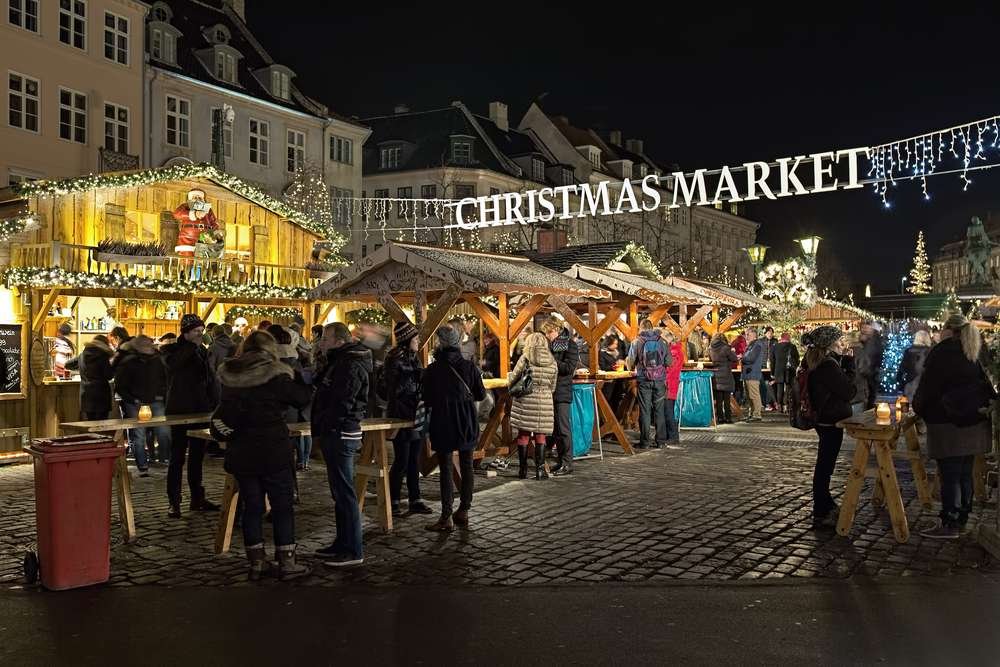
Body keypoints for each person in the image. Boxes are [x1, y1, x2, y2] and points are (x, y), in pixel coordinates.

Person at [213, 330, 313, 580]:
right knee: (281, 506)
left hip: (242, 450)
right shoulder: (276, 374)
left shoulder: (231, 374)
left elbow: (221, 410)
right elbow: (302, 398)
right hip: (272, 449)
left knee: (252, 506)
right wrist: (298, 371)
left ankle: (256, 562)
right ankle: (287, 561)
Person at [914, 314, 995, 539]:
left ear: (949, 330)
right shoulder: (973, 351)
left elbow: (928, 388)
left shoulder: (942, 352)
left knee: (949, 474)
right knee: (964, 473)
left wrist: (919, 409)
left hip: (947, 423)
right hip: (972, 422)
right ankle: (962, 517)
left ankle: (950, 522)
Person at [312, 322, 371, 566]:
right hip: (336, 430)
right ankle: (342, 542)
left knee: (345, 491)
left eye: (325, 339)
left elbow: (343, 400)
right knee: (339, 491)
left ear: (339, 340)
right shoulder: (340, 361)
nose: (321, 342)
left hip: (341, 432)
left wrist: (329, 423)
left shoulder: (350, 364)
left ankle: (353, 550)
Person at [422, 324, 486, 530]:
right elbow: (481, 395)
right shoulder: (469, 367)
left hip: (443, 421)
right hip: (466, 421)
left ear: (440, 343)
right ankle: (464, 509)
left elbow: (427, 398)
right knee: (467, 466)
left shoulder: (433, 370)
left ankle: (446, 516)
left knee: (446, 468)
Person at [162, 314, 220, 518]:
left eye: (201, 332)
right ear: (185, 332)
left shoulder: (202, 352)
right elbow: (174, 366)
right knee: (177, 457)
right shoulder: (172, 350)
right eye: (196, 331)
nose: (200, 335)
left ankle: (197, 497)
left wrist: (215, 401)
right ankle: (174, 501)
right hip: (179, 410)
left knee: (197, 457)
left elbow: (209, 378)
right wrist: (191, 346)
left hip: (201, 410)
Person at [802, 325, 856, 529]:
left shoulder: (813, 361)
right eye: (839, 341)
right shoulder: (828, 366)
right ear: (830, 344)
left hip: (822, 418)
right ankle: (821, 508)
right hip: (831, 419)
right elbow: (848, 391)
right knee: (825, 465)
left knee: (825, 463)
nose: (841, 344)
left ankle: (825, 504)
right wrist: (850, 364)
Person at [384, 321, 433, 515]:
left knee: (414, 458)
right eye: (415, 338)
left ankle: (415, 499)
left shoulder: (413, 357)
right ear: (407, 339)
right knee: (402, 459)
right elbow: (395, 388)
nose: (418, 341)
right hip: (401, 414)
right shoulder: (395, 358)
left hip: (416, 412)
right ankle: (393, 499)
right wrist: (416, 377)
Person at [113, 335, 171, 475]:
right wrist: (132, 399)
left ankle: (164, 459)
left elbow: (166, 379)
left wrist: (161, 394)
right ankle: (143, 465)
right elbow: (120, 384)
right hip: (136, 402)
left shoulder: (158, 360)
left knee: (163, 432)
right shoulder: (129, 361)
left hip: (153, 400)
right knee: (139, 435)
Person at [509, 332, 558, 479]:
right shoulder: (552, 361)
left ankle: (522, 470)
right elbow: (553, 386)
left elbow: (514, 377)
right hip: (544, 400)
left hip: (526, 400)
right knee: (540, 434)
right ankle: (540, 470)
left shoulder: (525, 358)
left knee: (523, 434)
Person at [542, 318, 579, 474]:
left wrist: (552, 361)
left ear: (556, 330)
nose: (547, 336)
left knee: (564, 429)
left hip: (562, 391)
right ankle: (560, 461)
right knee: (556, 430)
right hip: (551, 391)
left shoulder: (570, 344)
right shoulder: (550, 344)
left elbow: (569, 368)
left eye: (549, 332)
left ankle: (567, 463)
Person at [627, 318, 671, 449]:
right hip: (659, 380)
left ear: (641, 327)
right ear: (652, 327)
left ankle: (645, 442)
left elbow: (630, 362)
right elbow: (669, 362)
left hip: (644, 380)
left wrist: (632, 366)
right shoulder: (662, 341)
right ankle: (661, 441)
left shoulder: (637, 342)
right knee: (659, 411)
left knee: (645, 411)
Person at [70, 334, 115, 420]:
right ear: (105, 344)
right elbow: (109, 375)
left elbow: (68, 365)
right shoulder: (103, 356)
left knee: (90, 424)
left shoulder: (82, 355)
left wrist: (80, 368)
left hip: (86, 395)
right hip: (101, 397)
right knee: (102, 426)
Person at [709, 332, 738, 425]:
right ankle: (728, 418)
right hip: (725, 375)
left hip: (716, 375)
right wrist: (732, 351)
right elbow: (734, 359)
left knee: (718, 399)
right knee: (726, 399)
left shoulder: (711, 348)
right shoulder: (726, 348)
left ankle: (720, 418)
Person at [897, 329, 932, 401]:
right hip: (925, 385)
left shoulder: (908, 351)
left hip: (910, 383)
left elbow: (902, 369)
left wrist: (901, 382)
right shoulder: (930, 352)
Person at [770, 332, 799, 413]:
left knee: (779, 388)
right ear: (788, 338)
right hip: (789, 370)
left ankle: (780, 406)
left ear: (781, 338)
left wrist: (772, 372)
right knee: (789, 388)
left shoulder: (775, 347)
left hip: (778, 370)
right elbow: (796, 359)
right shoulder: (792, 346)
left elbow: (772, 360)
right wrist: (796, 367)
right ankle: (786, 405)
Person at [662, 330, 683, 444]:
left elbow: (670, 369)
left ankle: (673, 436)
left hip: (669, 384)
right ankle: (669, 435)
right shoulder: (676, 350)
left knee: (668, 410)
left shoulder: (674, 352)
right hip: (671, 383)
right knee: (668, 410)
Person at [741, 327, 765, 422]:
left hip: (752, 373)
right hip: (748, 374)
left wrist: (742, 357)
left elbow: (750, 358)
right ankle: (752, 413)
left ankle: (757, 414)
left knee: (754, 395)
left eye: (748, 334)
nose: (746, 336)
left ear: (754, 335)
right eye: (746, 334)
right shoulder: (751, 345)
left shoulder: (757, 345)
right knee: (749, 395)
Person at [859, 322, 884, 410]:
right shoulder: (872, 339)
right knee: (872, 392)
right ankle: (870, 408)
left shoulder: (873, 340)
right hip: (871, 370)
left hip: (870, 370)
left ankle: (869, 409)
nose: (864, 330)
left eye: (867, 328)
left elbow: (870, 355)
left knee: (871, 392)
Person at [759, 326, 776, 410]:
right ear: (765, 333)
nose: (770, 334)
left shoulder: (775, 341)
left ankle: (771, 402)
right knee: (764, 384)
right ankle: (766, 403)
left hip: (772, 366)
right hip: (762, 366)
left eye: (771, 333)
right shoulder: (761, 341)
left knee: (771, 384)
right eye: (768, 333)